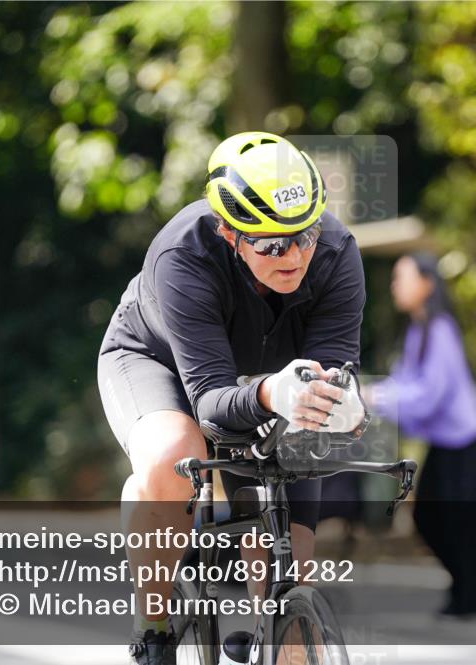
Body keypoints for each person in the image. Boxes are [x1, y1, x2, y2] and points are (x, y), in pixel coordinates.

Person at [97, 132, 369, 665]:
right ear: (229, 233)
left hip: (270, 380)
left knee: (288, 562)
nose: (295, 255)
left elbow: (335, 372)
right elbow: (212, 403)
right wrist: (271, 391)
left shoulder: (336, 255)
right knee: (173, 453)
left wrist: (344, 403)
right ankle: (152, 627)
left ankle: (278, 630)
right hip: (162, 364)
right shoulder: (184, 255)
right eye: (271, 244)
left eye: (305, 234)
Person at [363, 252, 476, 618]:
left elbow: (430, 393)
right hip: (443, 440)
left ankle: (468, 599)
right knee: (430, 518)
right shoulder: (420, 329)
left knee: (457, 523)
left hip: (461, 438)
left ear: (427, 284)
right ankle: (465, 594)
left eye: (403, 276)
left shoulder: (441, 329)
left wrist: (379, 396)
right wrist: (375, 392)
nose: (394, 284)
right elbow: (406, 383)